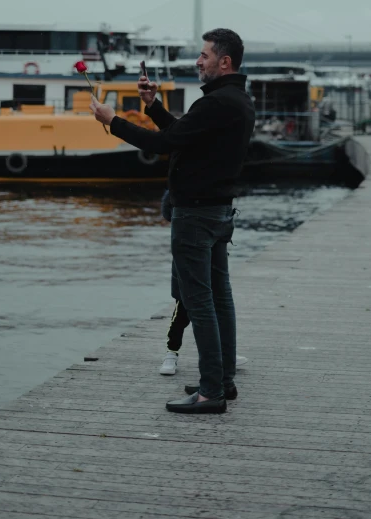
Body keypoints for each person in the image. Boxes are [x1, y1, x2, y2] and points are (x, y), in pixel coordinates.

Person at [90, 28, 255, 414]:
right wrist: (153, 105)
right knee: (219, 299)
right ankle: (222, 380)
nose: (198, 61)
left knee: (200, 303)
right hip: (217, 212)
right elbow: (183, 136)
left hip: (195, 216)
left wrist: (112, 120)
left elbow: (163, 144)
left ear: (224, 62)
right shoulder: (236, 101)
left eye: (204, 55)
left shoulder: (216, 104)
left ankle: (211, 392)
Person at [158, 189, 248, 376]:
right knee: (182, 310)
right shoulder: (182, 194)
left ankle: (224, 354)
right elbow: (169, 208)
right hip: (188, 251)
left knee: (215, 307)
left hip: (209, 241)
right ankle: (171, 352)